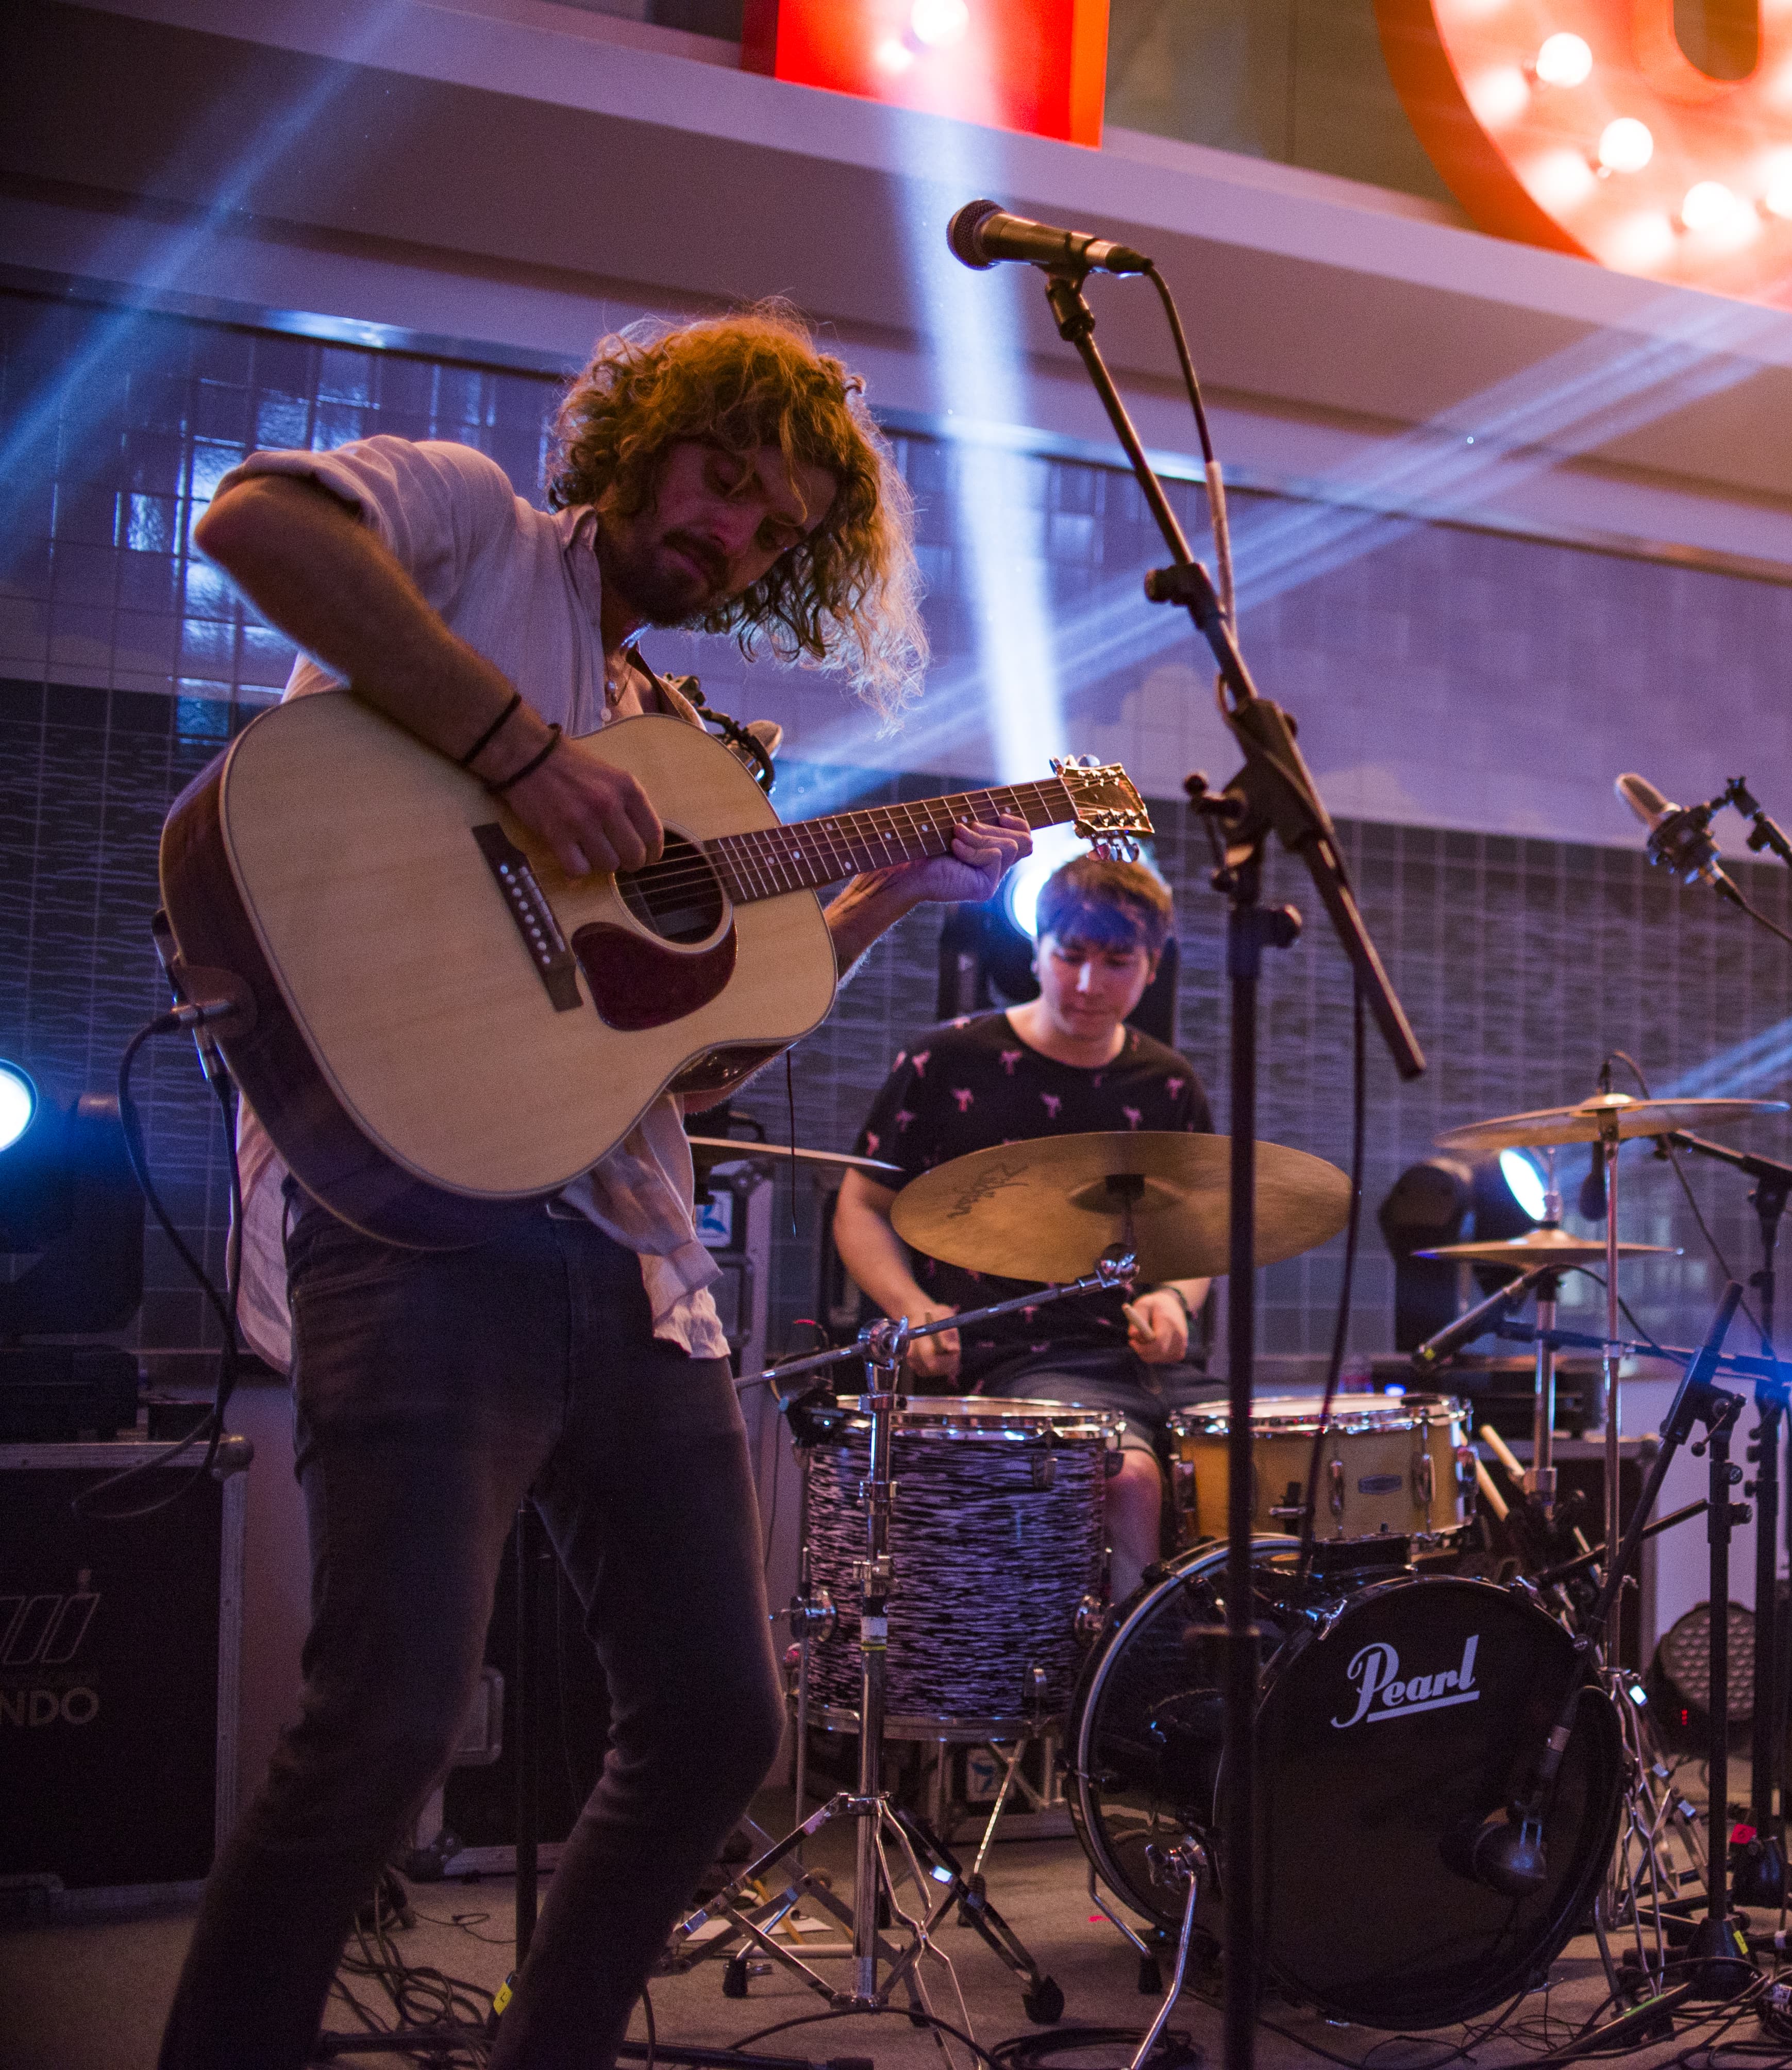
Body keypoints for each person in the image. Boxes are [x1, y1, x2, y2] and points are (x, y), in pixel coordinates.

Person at [165, 308, 1035, 2070]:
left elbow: (689, 1061)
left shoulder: (669, 730)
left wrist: (880, 899)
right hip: (417, 1233)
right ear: (640, 437)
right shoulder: (475, 529)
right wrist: (512, 753)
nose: (731, 535)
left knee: (718, 1720)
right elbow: (255, 522)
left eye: (778, 530)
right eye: (724, 481)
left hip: (634, 1264)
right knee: (389, 1725)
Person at [832, 854, 1215, 1590]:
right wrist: (913, 1311)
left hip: (1148, 1365)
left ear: (1152, 965)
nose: (1087, 984)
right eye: (1069, 956)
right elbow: (862, 1204)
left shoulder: (1169, 1082)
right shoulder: (947, 1057)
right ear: (1037, 949)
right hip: (1015, 1359)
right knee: (1128, 1480)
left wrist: (1175, 1299)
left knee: (1270, 1457)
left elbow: (1197, 1234)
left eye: (1116, 962)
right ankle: (1129, 1685)